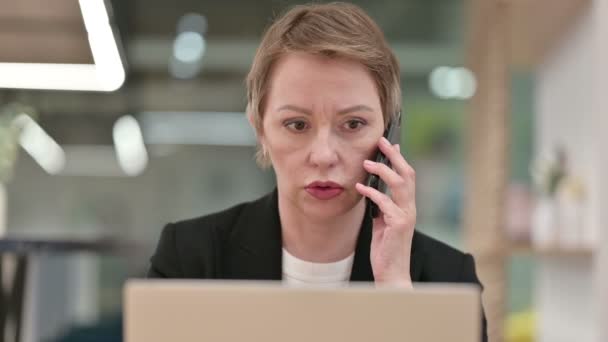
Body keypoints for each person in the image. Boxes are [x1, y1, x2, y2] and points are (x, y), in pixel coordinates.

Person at [148, 2, 487, 341]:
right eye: (296, 124)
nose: (324, 156)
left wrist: (396, 290)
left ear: (390, 131)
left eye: (353, 124)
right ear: (260, 130)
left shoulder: (448, 278)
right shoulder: (190, 259)